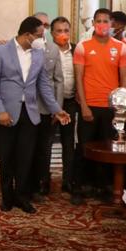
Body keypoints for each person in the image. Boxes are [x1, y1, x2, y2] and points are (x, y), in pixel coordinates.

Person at [0, 16, 69, 213]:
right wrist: (0, 110)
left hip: (30, 113)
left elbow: (44, 85)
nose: (43, 39)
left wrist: (57, 108)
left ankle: (22, 197)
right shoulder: (0, 51)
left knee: (25, 158)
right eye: (40, 35)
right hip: (5, 113)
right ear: (27, 35)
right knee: (6, 158)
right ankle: (7, 198)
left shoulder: (38, 53)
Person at [72, 8, 126, 204]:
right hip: (90, 105)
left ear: (111, 23)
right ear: (93, 23)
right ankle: (79, 187)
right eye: (98, 20)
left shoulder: (121, 48)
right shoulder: (83, 46)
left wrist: (121, 108)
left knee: (108, 148)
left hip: (111, 108)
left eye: (105, 21)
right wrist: (84, 106)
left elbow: (124, 78)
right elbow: (78, 78)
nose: (102, 24)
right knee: (84, 147)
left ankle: (104, 186)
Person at [32, 20, 64, 202]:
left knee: (44, 149)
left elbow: (58, 80)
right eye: (40, 24)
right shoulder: (23, 46)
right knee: (27, 149)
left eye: (45, 24)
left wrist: (57, 108)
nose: (42, 28)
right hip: (28, 107)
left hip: (47, 108)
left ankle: (41, 183)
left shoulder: (53, 49)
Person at [48, 17, 78, 194]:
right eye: (59, 31)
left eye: (66, 30)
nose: (63, 34)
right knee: (47, 142)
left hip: (71, 101)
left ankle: (68, 180)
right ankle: (44, 179)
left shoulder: (77, 50)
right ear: (52, 34)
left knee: (69, 143)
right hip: (50, 103)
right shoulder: (46, 50)